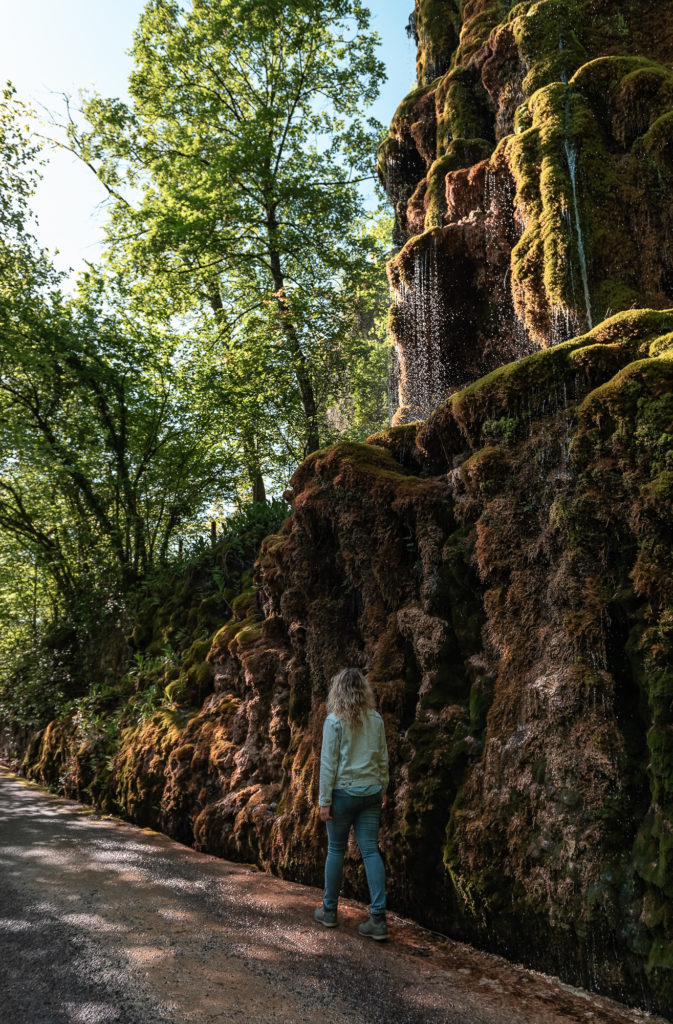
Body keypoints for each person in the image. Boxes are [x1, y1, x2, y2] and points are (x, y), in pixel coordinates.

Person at [314, 667, 389, 940]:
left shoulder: (334, 722)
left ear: (339, 692)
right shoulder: (376, 720)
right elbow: (382, 758)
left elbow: (328, 764)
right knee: (370, 850)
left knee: (336, 849)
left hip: (343, 794)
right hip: (371, 792)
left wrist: (324, 802)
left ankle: (329, 911)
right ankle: (378, 919)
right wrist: (383, 789)